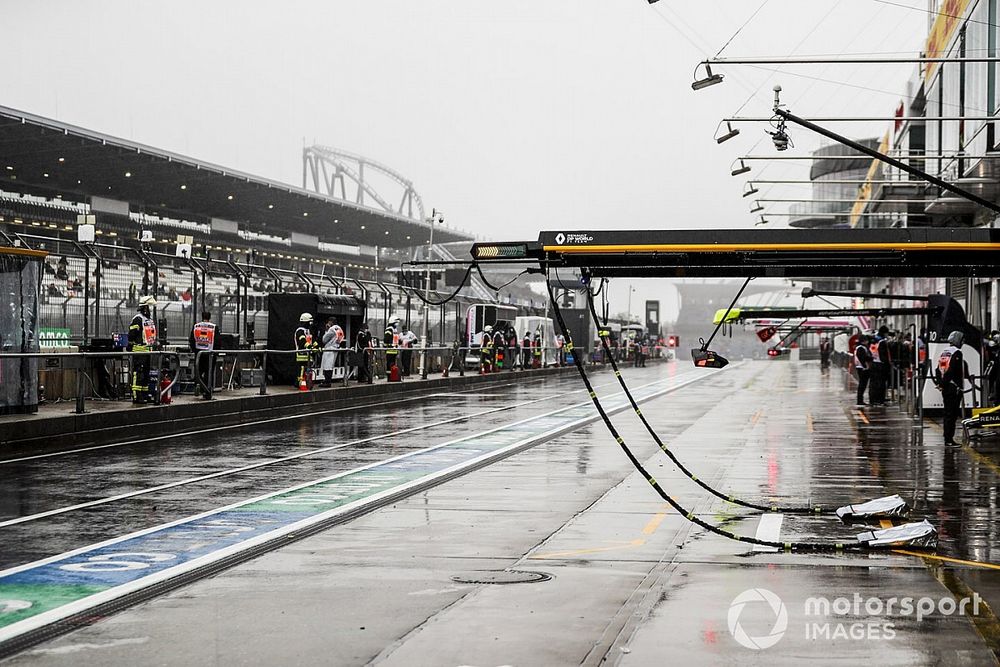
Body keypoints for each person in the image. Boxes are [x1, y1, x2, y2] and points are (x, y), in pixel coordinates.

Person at [936, 330, 967, 447]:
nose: (963, 342)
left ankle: (947, 438)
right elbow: (953, 370)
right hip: (953, 388)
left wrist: (941, 383)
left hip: (946, 387)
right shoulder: (957, 353)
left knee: (947, 413)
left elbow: (938, 369)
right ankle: (949, 439)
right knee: (952, 414)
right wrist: (955, 385)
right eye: (962, 340)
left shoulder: (945, 352)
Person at [128, 295, 158, 404]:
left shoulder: (148, 320)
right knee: (138, 373)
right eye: (148, 307)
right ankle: (137, 395)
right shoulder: (138, 319)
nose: (149, 310)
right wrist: (132, 344)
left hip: (147, 351)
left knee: (145, 374)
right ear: (144, 307)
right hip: (139, 351)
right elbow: (131, 335)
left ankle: (145, 394)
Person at [189, 311, 217, 398]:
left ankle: (198, 386)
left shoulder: (196, 326)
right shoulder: (214, 327)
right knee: (209, 372)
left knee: (198, 372)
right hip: (210, 354)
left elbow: (191, 340)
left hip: (199, 354)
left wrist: (195, 350)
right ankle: (207, 391)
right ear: (209, 317)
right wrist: (215, 352)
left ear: (202, 317)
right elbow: (218, 341)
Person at [294, 313, 319, 389]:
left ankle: (306, 384)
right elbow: (302, 342)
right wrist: (311, 347)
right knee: (301, 370)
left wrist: (317, 347)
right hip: (301, 355)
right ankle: (300, 384)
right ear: (305, 322)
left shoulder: (307, 331)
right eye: (309, 322)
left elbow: (311, 340)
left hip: (308, 355)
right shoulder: (300, 331)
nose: (311, 324)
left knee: (307, 371)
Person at [320, 319, 345, 387]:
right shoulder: (339, 328)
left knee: (327, 365)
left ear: (331, 322)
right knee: (331, 365)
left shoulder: (331, 329)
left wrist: (326, 330)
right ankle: (327, 380)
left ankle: (327, 382)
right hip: (336, 348)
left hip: (329, 348)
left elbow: (324, 340)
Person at [853, 334, 871, 407]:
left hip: (860, 367)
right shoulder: (861, 348)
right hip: (862, 368)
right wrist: (866, 364)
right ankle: (860, 400)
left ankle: (860, 400)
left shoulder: (858, 347)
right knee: (862, 384)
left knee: (862, 384)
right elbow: (863, 358)